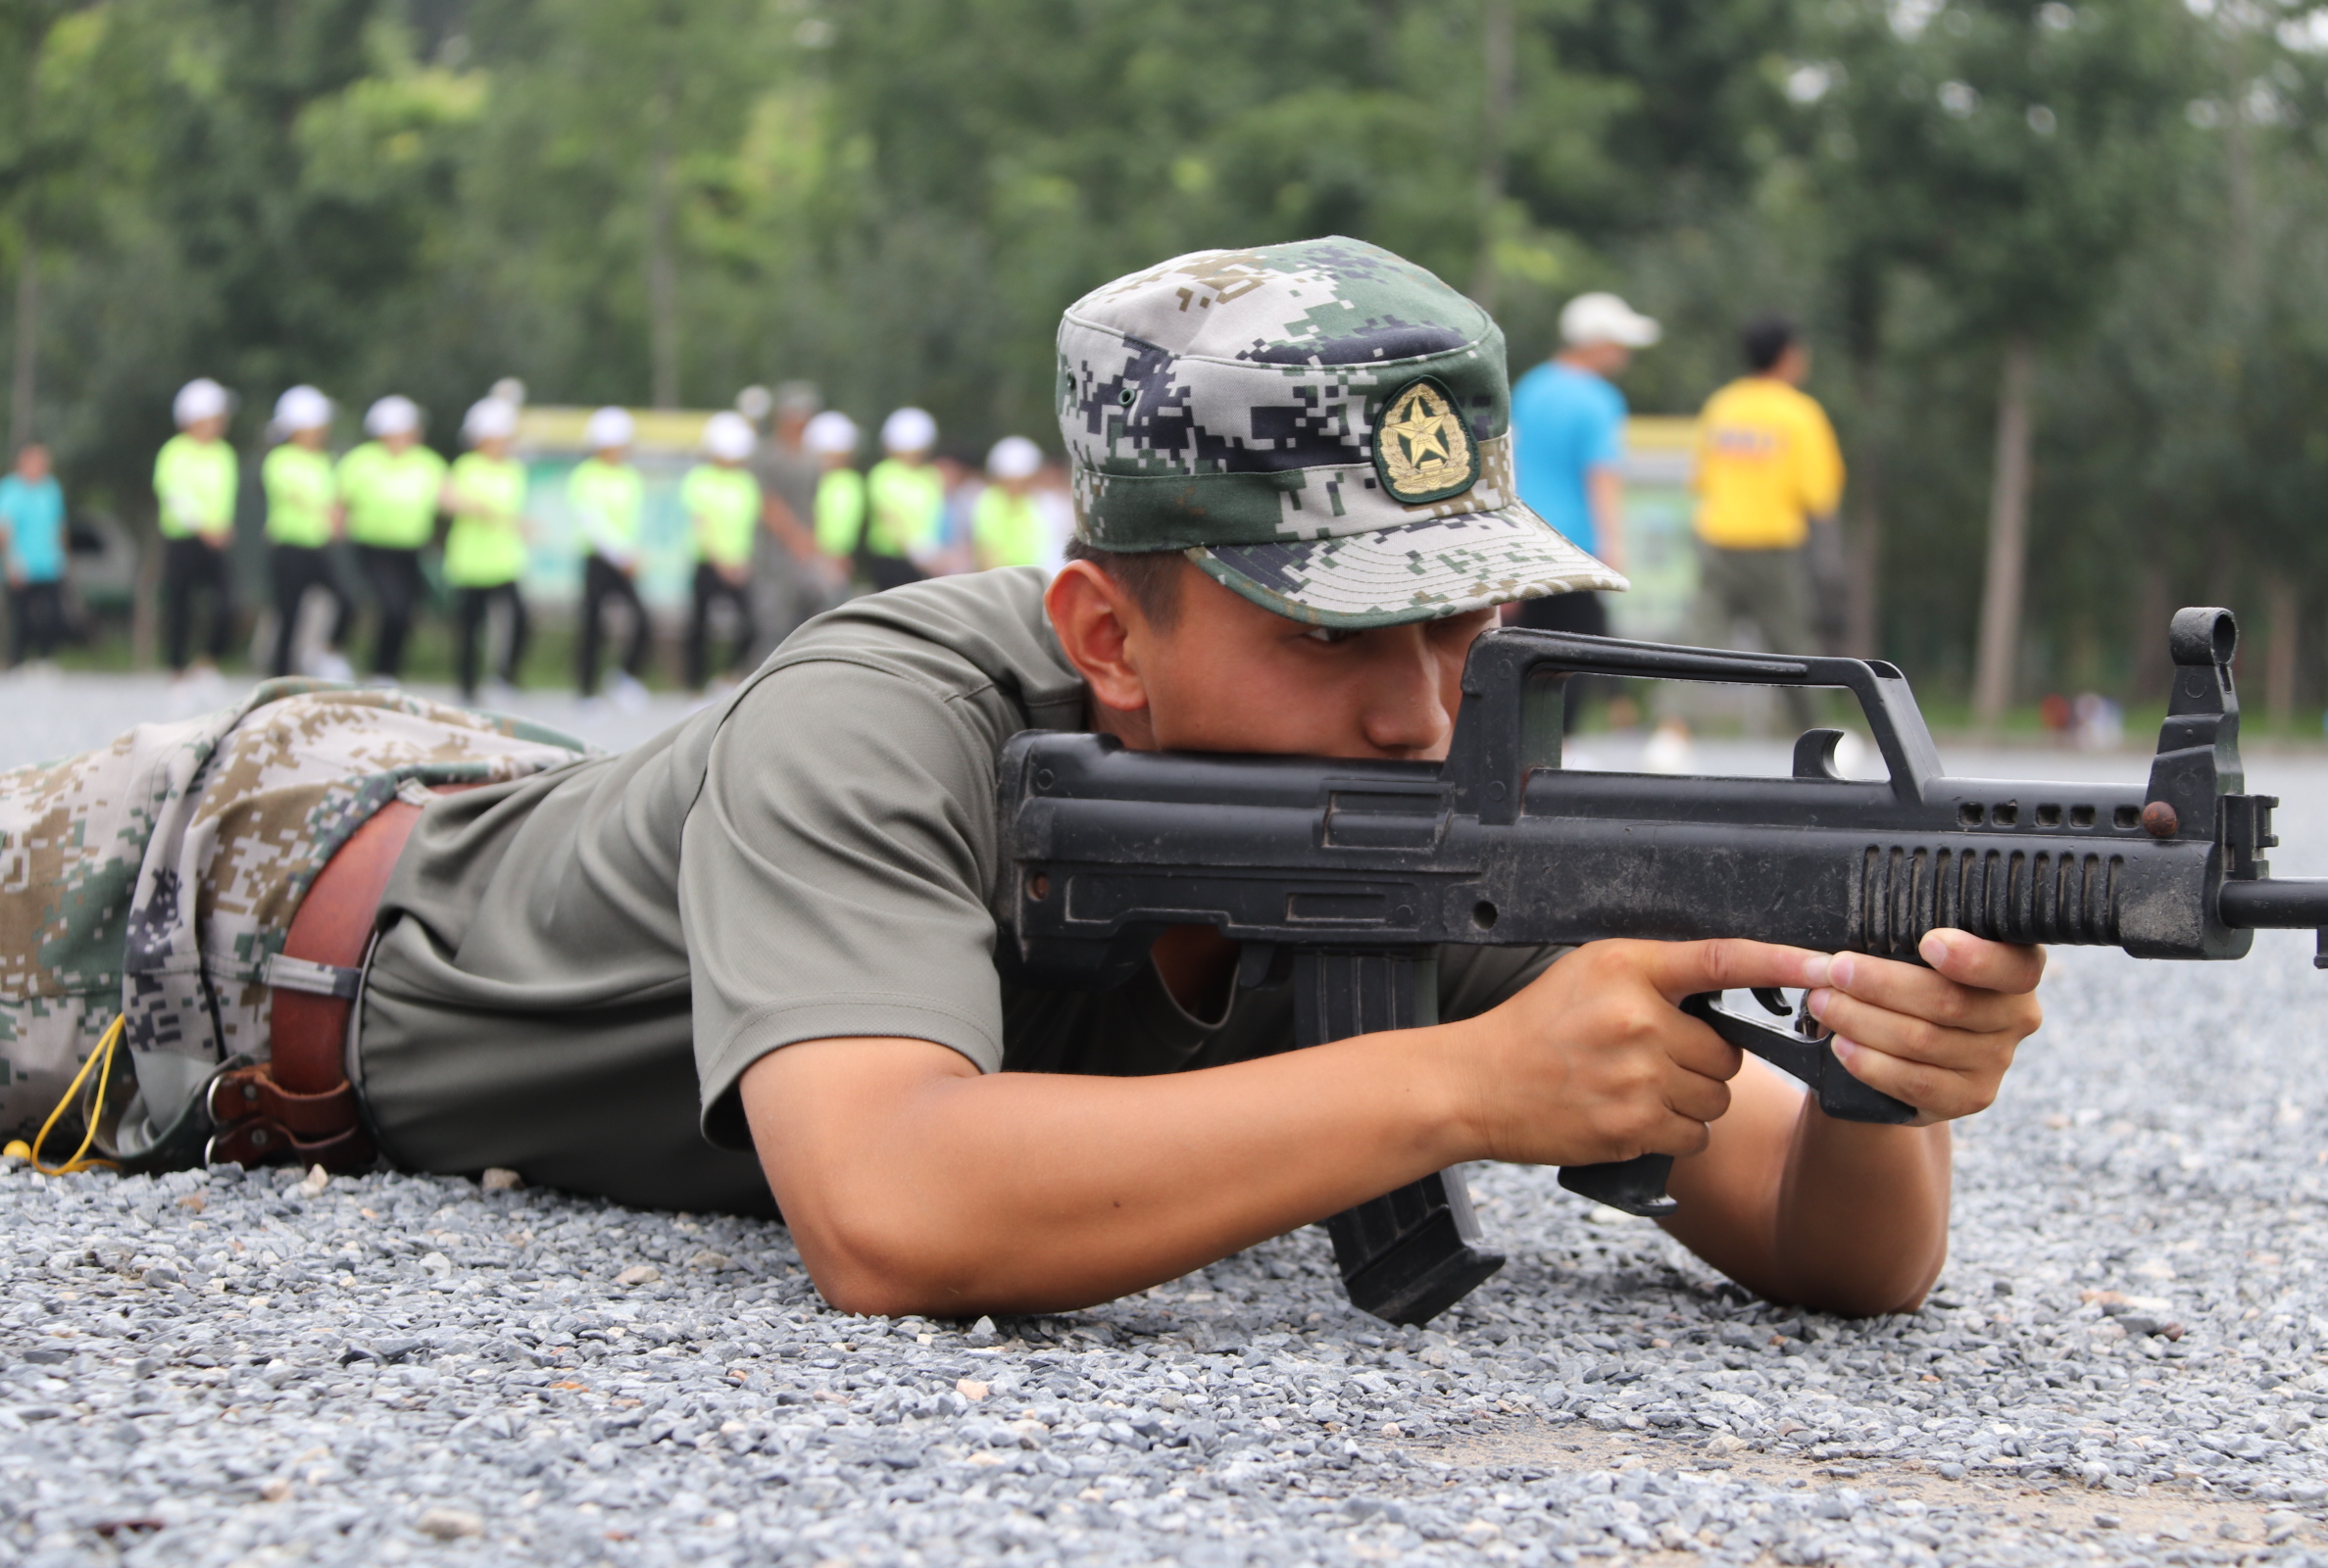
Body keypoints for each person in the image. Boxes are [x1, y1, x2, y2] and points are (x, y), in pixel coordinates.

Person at [0, 239, 2042, 1328]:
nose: (1426, 709)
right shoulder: (890, 705)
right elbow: (891, 1206)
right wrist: (1459, 1083)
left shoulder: (1442, 792)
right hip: (219, 888)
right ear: (1106, 629)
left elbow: (1837, 1247)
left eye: (1465, 621)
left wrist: (1884, 1071)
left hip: (529, 815)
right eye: (1337, 630)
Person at [1687, 316, 1845, 731]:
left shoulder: (1722, 405)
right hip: (1773, 543)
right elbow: (1819, 495)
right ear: (1788, 356)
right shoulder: (1799, 413)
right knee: (1791, 643)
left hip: (1718, 538)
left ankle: (1673, 730)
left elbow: (1700, 478)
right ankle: (1818, 733)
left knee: (1701, 635)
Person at [1512, 292, 1658, 735]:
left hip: (1524, 538)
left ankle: (1518, 740)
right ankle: (1560, 743)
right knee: (1575, 651)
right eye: (1617, 342)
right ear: (1595, 343)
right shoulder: (1599, 399)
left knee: (1526, 647)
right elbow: (1602, 475)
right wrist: (1612, 541)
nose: (1624, 353)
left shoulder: (1530, 385)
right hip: (1574, 543)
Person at [337, 395, 449, 683]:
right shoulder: (361, 461)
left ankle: (388, 670)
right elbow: (339, 502)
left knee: (405, 611)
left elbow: (449, 497)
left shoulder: (427, 462)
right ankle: (371, 665)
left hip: (412, 550)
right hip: (372, 548)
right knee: (389, 605)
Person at [261, 386, 354, 680]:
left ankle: (323, 653)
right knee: (289, 616)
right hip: (288, 547)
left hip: (317, 548)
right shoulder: (279, 459)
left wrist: (339, 515)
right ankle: (279, 677)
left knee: (345, 601)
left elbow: (336, 497)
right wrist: (327, 511)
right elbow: (295, 494)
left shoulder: (325, 460)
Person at [443, 397, 532, 704]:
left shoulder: (514, 470)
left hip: (505, 560)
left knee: (521, 619)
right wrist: (478, 508)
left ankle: (504, 673)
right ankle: (468, 687)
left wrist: (519, 525)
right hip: (471, 562)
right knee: (471, 629)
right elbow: (449, 500)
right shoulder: (465, 466)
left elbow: (511, 510)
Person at [153, 377, 239, 689]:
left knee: (229, 603)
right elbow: (174, 496)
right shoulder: (174, 452)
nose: (221, 421)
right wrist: (203, 527)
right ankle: (176, 669)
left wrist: (224, 526)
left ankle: (208, 663)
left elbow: (225, 496)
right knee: (180, 605)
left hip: (216, 541)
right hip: (184, 540)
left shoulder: (224, 453)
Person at [569, 406, 649, 708]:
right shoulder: (585, 475)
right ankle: (585, 692)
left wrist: (634, 552)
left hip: (627, 561)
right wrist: (622, 554)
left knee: (643, 619)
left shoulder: (630, 476)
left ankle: (624, 676)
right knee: (592, 625)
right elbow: (592, 522)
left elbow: (633, 519)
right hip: (599, 560)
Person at [747, 381, 832, 649]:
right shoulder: (766, 453)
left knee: (814, 615)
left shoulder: (813, 458)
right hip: (773, 553)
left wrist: (815, 545)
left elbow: (813, 504)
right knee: (772, 623)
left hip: (804, 550)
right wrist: (797, 539)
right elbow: (767, 503)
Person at [683, 411, 763, 692]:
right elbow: (700, 524)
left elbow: (750, 527)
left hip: (739, 565)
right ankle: (694, 687)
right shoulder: (700, 478)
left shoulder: (747, 482)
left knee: (752, 626)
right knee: (699, 627)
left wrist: (743, 561)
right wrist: (721, 562)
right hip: (708, 563)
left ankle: (728, 678)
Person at [862, 407, 945, 591]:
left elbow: (936, 516)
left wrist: (933, 552)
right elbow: (887, 515)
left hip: (927, 559)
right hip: (891, 558)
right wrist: (917, 551)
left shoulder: (931, 475)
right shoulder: (883, 473)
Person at [0, 442, 68, 669]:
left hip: (48, 563)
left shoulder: (51, 489)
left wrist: (62, 558)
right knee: (22, 617)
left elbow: (58, 526)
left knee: (54, 613)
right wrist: (10, 562)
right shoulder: (10, 489)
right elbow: (4, 530)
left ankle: (45, 659)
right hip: (22, 564)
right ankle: (16, 661)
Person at [970, 436, 1054, 570]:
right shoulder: (989, 501)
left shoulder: (1040, 501)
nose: (1015, 486)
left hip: (1038, 577)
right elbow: (986, 549)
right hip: (1005, 579)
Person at [804, 411, 866, 584]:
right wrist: (827, 558)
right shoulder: (811, 482)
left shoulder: (852, 480)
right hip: (813, 560)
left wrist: (840, 556)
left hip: (841, 561)